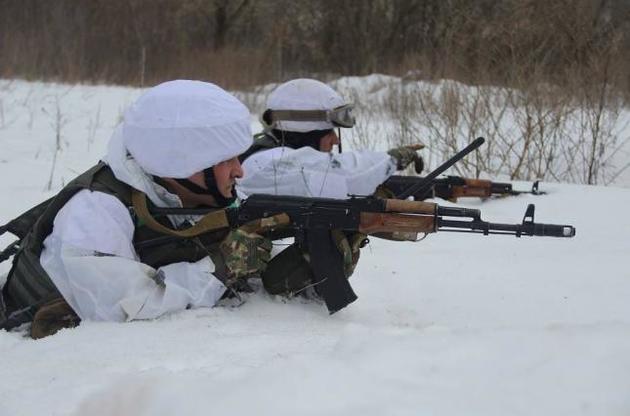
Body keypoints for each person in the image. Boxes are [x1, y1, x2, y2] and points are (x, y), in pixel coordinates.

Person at [0, 80, 271, 338]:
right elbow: (125, 306)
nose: (239, 171)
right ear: (180, 162)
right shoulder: (95, 212)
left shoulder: (187, 189)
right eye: (225, 160)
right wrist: (222, 268)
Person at [236, 78, 424, 299]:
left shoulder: (270, 155)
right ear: (306, 131)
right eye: (329, 132)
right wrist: (392, 160)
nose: (335, 140)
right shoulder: (270, 162)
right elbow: (347, 175)